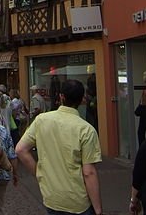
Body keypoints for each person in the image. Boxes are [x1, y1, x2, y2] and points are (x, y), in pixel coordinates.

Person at [16, 79, 102, 215]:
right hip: (77, 199)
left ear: (61, 97)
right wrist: (98, 209)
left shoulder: (41, 120)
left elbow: (21, 150)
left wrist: (39, 173)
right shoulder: (86, 130)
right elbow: (88, 172)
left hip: (51, 195)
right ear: (82, 99)